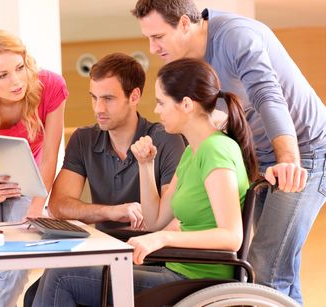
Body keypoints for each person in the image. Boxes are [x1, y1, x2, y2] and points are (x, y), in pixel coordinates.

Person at [132, 0, 326, 304]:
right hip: (260, 156)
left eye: (158, 37)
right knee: (276, 268)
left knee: (266, 267)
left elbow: (267, 95)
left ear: (184, 23)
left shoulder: (236, 37)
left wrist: (288, 160)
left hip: (305, 150)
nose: (153, 48)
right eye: (148, 38)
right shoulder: (190, 62)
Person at [32, 57, 258, 307]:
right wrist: (145, 165)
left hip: (197, 280)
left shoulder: (215, 150)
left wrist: (162, 239)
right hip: (176, 270)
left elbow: (231, 237)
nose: (157, 110)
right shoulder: (191, 152)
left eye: (162, 102)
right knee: (57, 276)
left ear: (185, 105)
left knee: (62, 277)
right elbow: (155, 221)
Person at [0, 29, 68, 307]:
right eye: (3, 75)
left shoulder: (50, 86)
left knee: (18, 256)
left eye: (20, 67)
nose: (17, 81)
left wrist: (38, 204)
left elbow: (49, 156)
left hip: (28, 180)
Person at [46, 52, 185, 231]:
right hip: (105, 252)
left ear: (134, 96)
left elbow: (175, 215)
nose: (98, 108)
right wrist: (110, 212)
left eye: (108, 99)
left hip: (152, 253)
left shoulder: (166, 138)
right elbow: (57, 206)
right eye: (94, 97)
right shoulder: (83, 139)